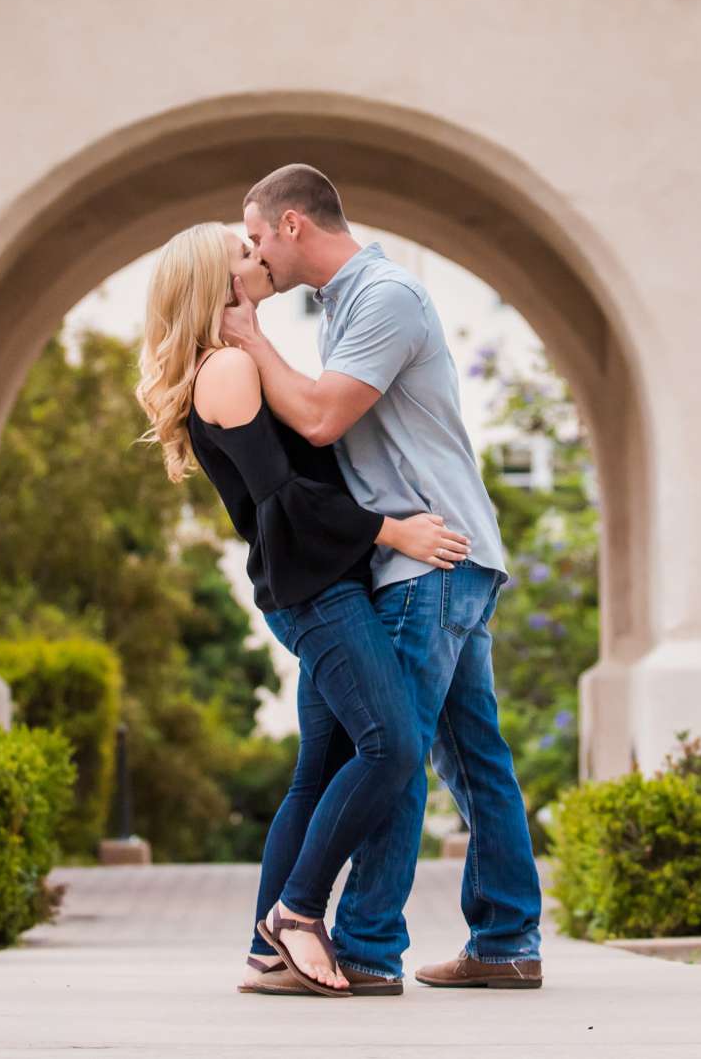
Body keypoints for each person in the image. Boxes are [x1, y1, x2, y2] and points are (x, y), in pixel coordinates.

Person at [221, 163, 547, 991]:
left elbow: (326, 415)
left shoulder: (383, 296)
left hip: (424, 558)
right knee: (474, 756)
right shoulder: (346, 307)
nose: (254, 253)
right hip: (448, 555)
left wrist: (251, 340)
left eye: (257, 236)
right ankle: (507, 941)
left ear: (294, 224)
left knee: (390, 750)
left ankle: (365, 949)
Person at [136, 222, 472, 998]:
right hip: (314, 591)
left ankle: (264, 953)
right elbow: (284, 500)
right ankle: (296, 914)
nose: (259, 259)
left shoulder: (237, 360)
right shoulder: (225, 372)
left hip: (319, 582)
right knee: (390, 745)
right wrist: (397, 531)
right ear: (217, 288)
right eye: (243, 255)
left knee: (319, 771)